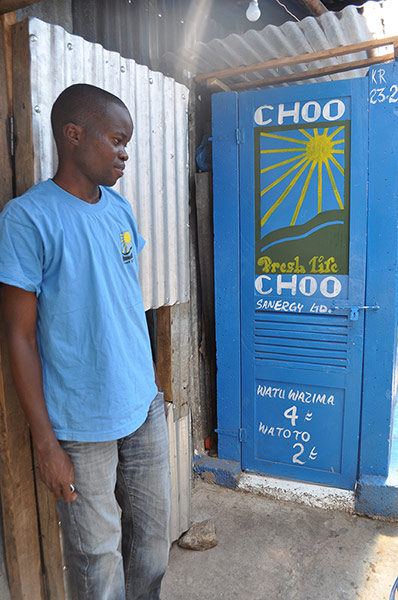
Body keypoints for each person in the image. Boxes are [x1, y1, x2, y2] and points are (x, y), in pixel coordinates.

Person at [0, 83, 170, 600]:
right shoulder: (27, 219)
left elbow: (120, 303)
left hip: (143, 409)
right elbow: (19, 336)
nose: (124, 153)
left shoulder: (119, 210)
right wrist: (47, 444)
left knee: (153, 544)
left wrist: (152, 386)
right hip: (81, 425)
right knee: (98, 565)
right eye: (117, 140)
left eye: (128, 143)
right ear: (73, 136)